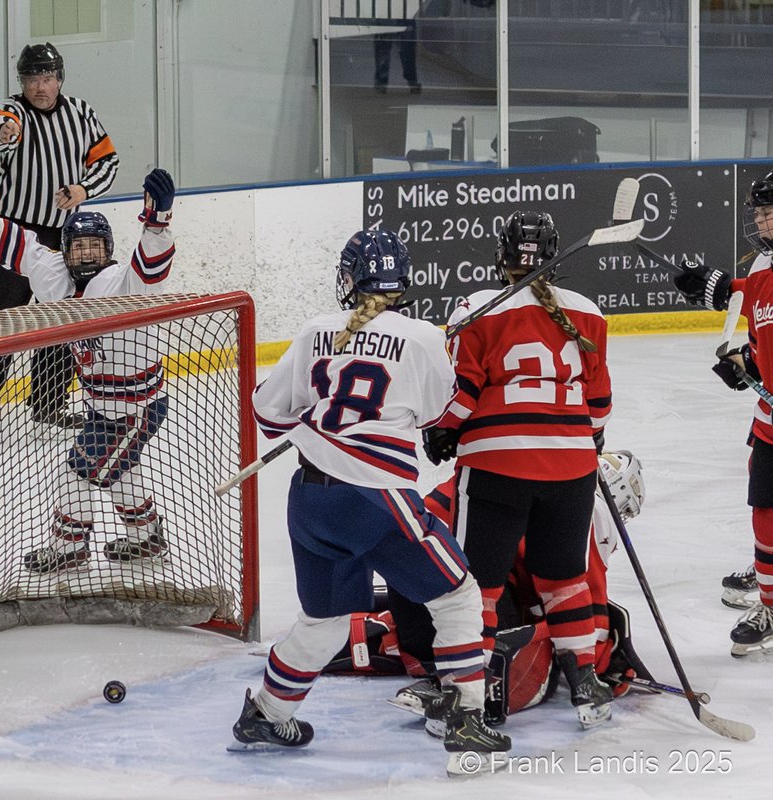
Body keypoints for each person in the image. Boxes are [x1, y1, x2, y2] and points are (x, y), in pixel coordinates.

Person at [227, 229, 509, 775]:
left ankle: (266, 712)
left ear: (351, 280)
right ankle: (469, 726)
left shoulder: (315, 330)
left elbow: (266, 414)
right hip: (375, 497)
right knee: (456, 598)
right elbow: (433, 415)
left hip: (310, 498)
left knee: (325, 622)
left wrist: (323, 411)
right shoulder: (424, 336)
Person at [422, 210, 616, 729]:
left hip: (498, 465)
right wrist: (582, 438)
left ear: (501, 255)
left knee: (475, 587)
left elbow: (461, 392)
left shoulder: (475, 308)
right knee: (563, 577)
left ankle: (470, 695)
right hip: (572, 467)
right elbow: (598, 404)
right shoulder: (588, 312)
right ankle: (586, 685)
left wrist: (442, 430)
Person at [0, 169, 175, 574]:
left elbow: (152, 268)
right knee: (122, 470)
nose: (87, 254)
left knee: (78, 473)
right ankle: (147, 538)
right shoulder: (55, 276)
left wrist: (157, 221)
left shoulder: (123, 282)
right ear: (66, 249)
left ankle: (68, 547)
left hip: (137, 407)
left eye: (95, 246)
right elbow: (20, 249)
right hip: (100, 403)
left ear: (108, 250)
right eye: (79, 246)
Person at [333, 451, 650, 730]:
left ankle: (390, 643)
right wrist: (606, 665)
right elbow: (578, 601)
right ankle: (460, 692)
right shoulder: (584, 502)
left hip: (412, 586)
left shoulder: (517, 465)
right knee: (543, 644)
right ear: (617, 490)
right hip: (466, 602)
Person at [0, 41, 120, 431]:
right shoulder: (13, 111)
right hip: (14, 236)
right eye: (31, 79)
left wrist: (83, 190)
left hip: (64, 238)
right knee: (1, 322)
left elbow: (107, 160)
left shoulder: (81, 112)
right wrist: (5, 129)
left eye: (47, 78)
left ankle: (47, 404)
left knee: (61, 323)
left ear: (59, 79)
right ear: (21, 82)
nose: (40, 86)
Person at [673, 169, 773, 655]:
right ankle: (771, 600)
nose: (760, 218)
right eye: (758, 210)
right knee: (766, 503)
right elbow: (754, 304)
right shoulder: (760, 268)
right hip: (770, 420)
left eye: (768, 210)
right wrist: (747, 365)